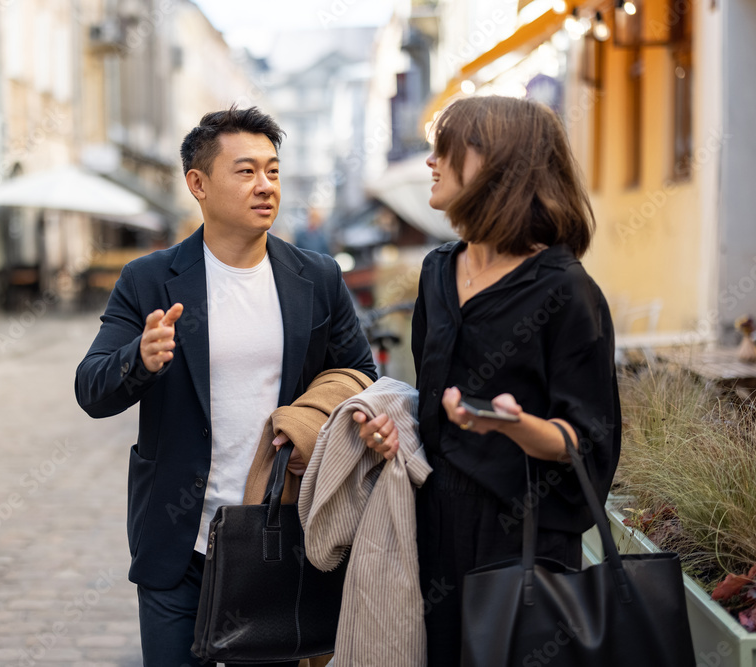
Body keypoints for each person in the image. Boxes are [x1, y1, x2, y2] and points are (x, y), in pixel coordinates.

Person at [75, 105, 377, 667]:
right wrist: (139, 359)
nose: (265, 186)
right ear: (199, 184)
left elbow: (364, 378)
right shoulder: (149, 279)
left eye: (273, 170)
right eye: (245, 171)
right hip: (177, 540)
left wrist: (344, 421)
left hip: (278, 533)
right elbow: (91, 389)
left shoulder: (316, 277)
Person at [353, 96, 621, 664]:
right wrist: (391, 432)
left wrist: (519, 428)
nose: (431, 161)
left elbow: (589, 445)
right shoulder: (437, 272)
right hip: (431, 526)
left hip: (522, 539)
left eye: (446, 147)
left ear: (499, 162)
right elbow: (430, 405)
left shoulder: (566, 291)